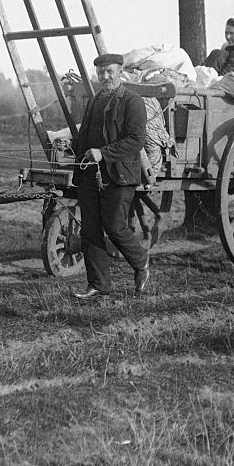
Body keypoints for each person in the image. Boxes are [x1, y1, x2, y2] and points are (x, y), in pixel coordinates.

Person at [70, 52, 152, 300]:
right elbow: (85, 136)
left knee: (115, 227)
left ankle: (141, 263)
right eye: (101, 73)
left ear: (120, 73)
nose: (105, 77)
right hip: (90, 175)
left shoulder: (133, 101)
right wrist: (73, 149)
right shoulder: (95, 101)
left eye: (110, 72)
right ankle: (99, 285)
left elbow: (135, 141)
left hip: (120, 175)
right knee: (90, 230)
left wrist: (103, 153)